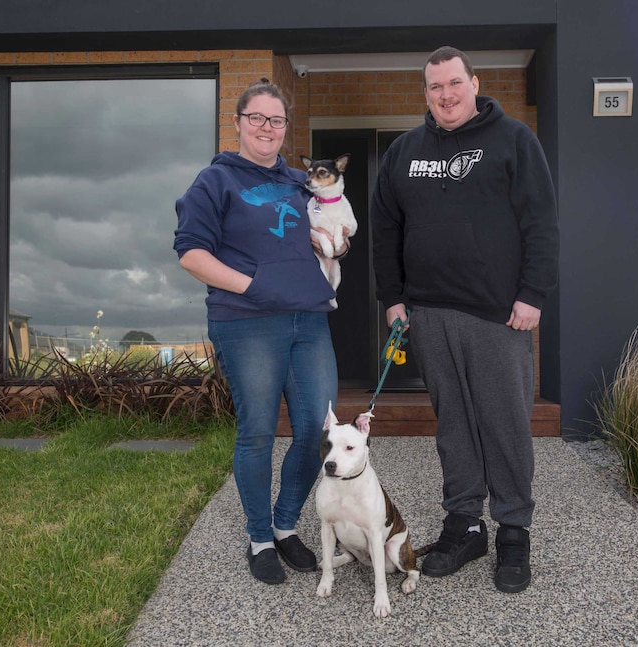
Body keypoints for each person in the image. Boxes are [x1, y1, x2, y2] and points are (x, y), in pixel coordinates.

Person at [371, 47, 559, 593]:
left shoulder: (514, 140)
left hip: (498, 315)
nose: (446, 95)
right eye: (435, 87)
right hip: (428, 312)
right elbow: (385, 232)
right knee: (453, 425)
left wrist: (532, 294)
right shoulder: (406, 151)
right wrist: (394, 298)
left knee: (503, 423)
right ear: (425, 92)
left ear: (473, 83)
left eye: (455, 83)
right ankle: (466, 523)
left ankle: (514, 532)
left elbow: (541, 222)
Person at [173, 78, 348, 585]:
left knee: (317, 428)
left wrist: (335, 245)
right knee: (257, 433)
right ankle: (260, 538)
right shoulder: (215, 182)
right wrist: (256, 285)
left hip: (309, 320)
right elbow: (191, 253)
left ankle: (286, 523)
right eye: (257, 118)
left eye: (276, 120)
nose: (267, 128)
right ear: (238, 122)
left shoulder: (301, 180)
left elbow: (329, 226)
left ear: (285, 128)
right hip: (247, 322)